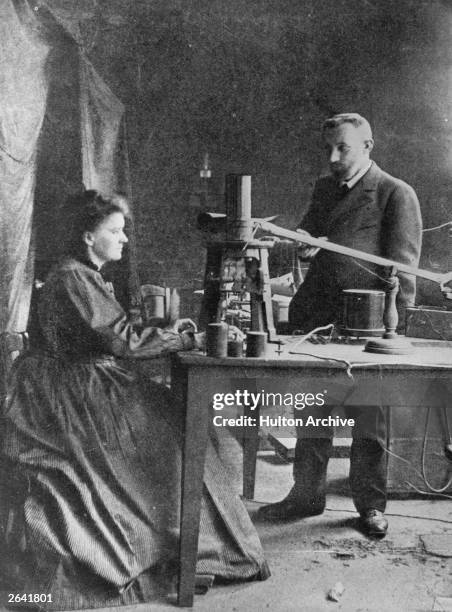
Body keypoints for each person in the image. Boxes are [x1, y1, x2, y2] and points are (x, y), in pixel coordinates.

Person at [0, 190, 269, 609]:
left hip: (78, 378)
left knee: (169, 422)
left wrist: (165, 331)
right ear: (89, 236)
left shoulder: (81, 274)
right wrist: (185, 338)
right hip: (70, 391)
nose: (124, 239)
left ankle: (179, 539)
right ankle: (174, 545)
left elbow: (112, 331)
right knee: (169, 434)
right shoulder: (73, 276)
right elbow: (121, 341)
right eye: (116, 230)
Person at [258, 113, 422, 538]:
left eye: (342, 148)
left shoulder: (394, 194)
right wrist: (297, 243)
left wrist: (395, 330)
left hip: (368, 328)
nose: (332, 157)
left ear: (368, 146)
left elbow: (404, 270)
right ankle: (307, 495)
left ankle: (369, 505)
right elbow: (309, 235)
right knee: (313, 411)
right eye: (328, 148)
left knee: (369, 417)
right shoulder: (325, 188)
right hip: (318, 318)